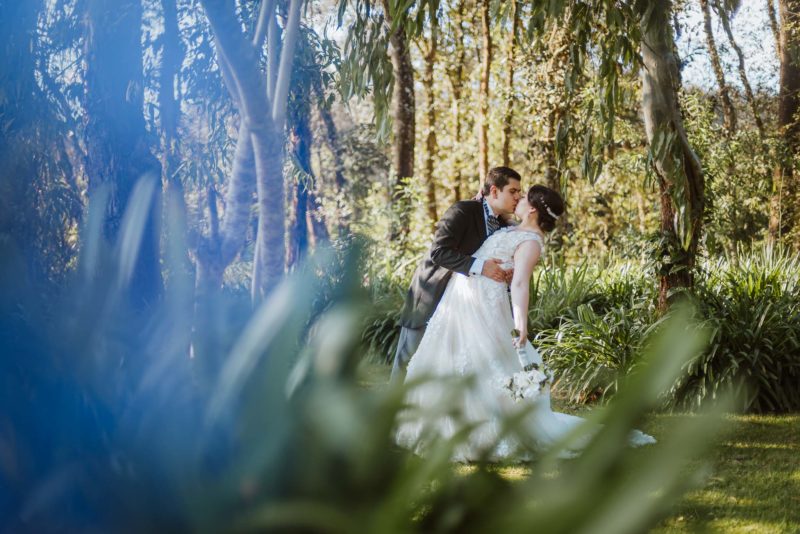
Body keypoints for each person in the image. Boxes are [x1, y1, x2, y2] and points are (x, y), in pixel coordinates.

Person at [395, 185, 655, 461]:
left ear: (532, 208)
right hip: (461, 302)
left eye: (523, 197)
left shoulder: (531, 241)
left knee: (479, 365)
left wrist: (521, 325)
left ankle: (480, 432)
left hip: (485, 308)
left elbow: (520, 284)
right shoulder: (513, 228)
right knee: (450, 359)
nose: (517, 200)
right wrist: (483, 200)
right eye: (515, 193)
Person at [389, 167, 523, 383]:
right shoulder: (464, 210)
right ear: (495, 191)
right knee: (409, 361)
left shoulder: (502, 225)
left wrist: (503, 274)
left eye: (519, 192)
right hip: (432, 294)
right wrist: (481, 266)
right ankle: (390, 414)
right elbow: (438, 252)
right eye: (513, 191)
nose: (518, 197)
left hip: (466, 308)